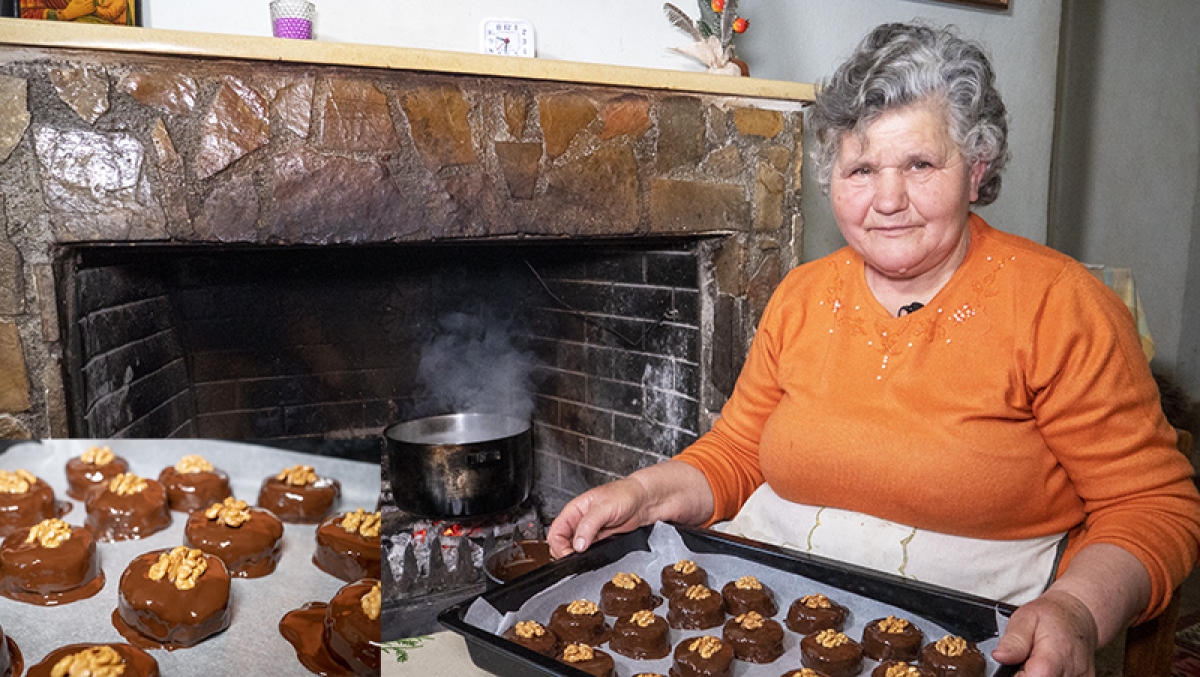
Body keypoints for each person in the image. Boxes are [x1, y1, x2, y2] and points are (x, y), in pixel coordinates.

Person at [548, 21, 1200, 677]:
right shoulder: (801, 295)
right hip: (766, 623)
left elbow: (1150, 508)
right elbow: (739, 453)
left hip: (965, 641)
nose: (888, 200)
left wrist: (1077, 610)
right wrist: (641, 493)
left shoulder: (1061, 305)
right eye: (861, 169)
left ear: (976, 170)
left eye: (920, 164)